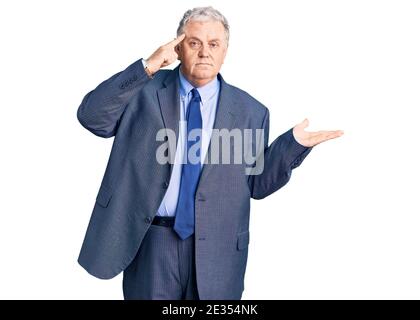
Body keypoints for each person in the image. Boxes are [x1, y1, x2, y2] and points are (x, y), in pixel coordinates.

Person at [77, 6, 343, 300]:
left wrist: (293, 145)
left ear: (226, 50)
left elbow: (256, 184)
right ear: (179, 47)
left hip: (217, 248)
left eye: (214, 44)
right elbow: (93, 117)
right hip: (150, 243)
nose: (205, 52)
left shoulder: (250, 112)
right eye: (195, 43)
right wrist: (148, 66)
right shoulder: (143, 92)